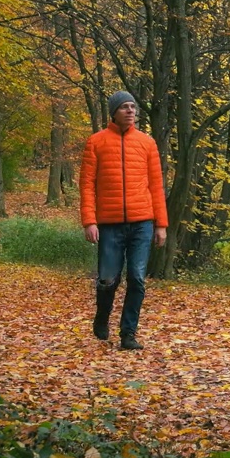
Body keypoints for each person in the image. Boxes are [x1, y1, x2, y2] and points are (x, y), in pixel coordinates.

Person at [80, 91, 168, 350]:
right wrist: (89, 221)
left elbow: (156, 185)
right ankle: (102, 316)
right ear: (114, 112)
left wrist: (161, 224)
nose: (131, 111)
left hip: (143, 222)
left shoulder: (147, 143)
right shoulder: (96, 142)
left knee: (137, 278)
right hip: (109, 223)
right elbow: (87, 185)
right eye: (125, 107)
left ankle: (128, 334)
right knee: (108, 279)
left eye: (133, 107)